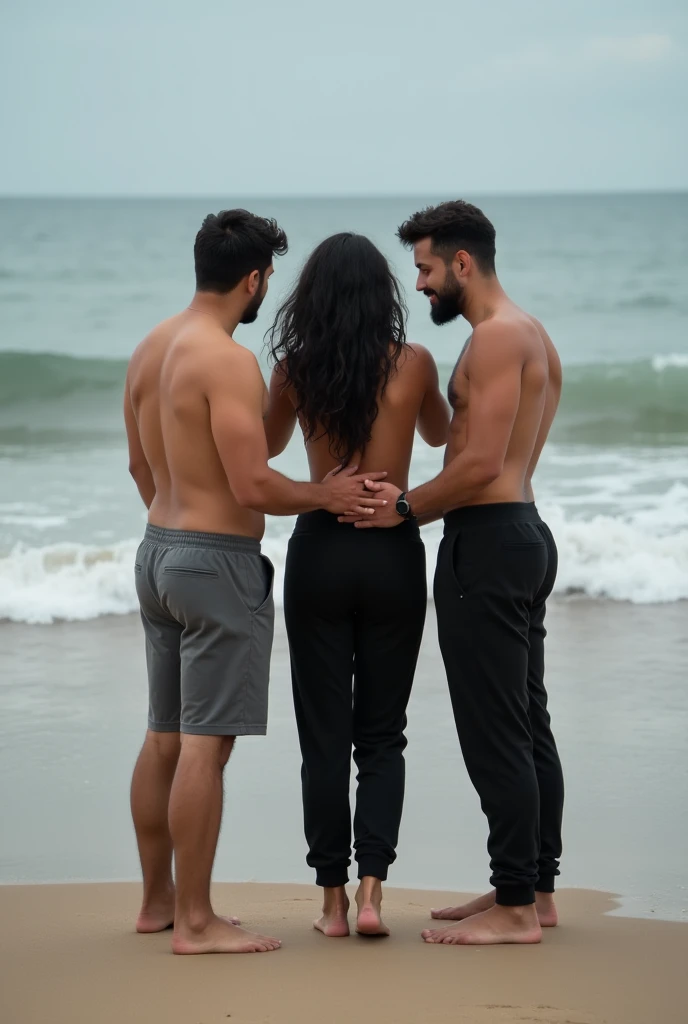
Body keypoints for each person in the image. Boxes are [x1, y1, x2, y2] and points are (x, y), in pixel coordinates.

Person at [124, 210, 388, 956]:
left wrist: (175, 532)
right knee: (206, 747)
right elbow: (252, 485)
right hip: (214, 564)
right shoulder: (228, 360)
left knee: (164, 737)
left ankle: (158, 903)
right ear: (253, 279)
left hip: (157, 552)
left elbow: (140, 467)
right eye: (267, 276)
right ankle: (199, 924)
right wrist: (326, 496)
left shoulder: (151, 348)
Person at [340, 201, 565, 946]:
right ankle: (532, 888)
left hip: (489, 543)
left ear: (462, 264)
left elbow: (477, 465)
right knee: (527, 723)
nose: (422, 286)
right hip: (522, 533)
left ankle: (515, 907)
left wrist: (401, 508)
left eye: (428, 270)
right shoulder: (530, 332)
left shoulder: (496, 341)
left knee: (495, 730)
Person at [264, 232, 450, 938]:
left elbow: (264, 453)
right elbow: (441, 437)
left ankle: (333, 906)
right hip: (392, 551)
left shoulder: (294, 372)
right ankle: (374, 893)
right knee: (382, 735)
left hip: (320, 550)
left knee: (324, 739)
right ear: (384, 296)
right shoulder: (414, 363)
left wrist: (322, 487)